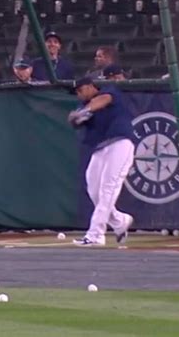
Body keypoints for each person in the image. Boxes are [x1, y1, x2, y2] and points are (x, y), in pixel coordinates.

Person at [68, 77, 134, 246]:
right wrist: (78, 117)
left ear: (90, 86)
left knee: (107, 189)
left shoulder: (109, 91)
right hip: (100, 149)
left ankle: (95, 235)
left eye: (80, 90)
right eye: (76, 92)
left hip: (120, 144)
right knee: (94, 190)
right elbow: (77, 120)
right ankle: (120, 221)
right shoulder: (84, 108)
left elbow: (103, 100)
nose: (78, 94)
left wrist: (84, 111)